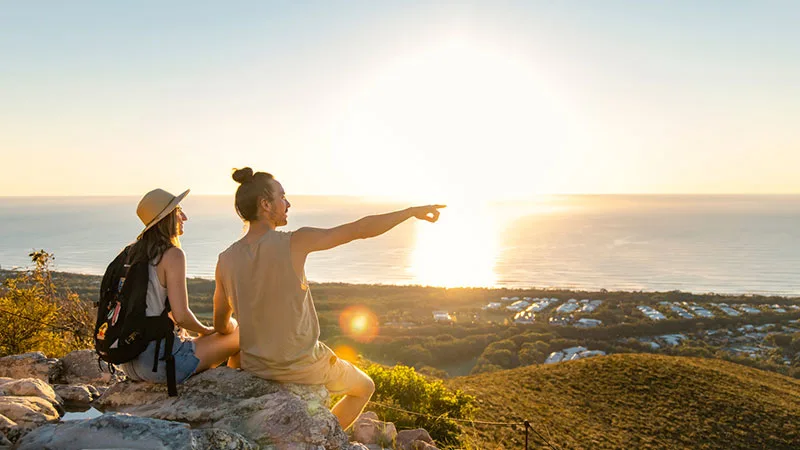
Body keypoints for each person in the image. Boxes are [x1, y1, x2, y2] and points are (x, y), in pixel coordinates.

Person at [213, 167, 444, 430]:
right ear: (265, 205)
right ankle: (327, 436)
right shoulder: (294, 242)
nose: (288, 203)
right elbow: (360, 229)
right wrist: (410, 212)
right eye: (282, 197)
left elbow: (221, 324)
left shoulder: (225, 259)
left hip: (255, 366)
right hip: (301, 365)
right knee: (365, 386)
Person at [120, 188, 240, 385]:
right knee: (237, 332)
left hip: (129, 362)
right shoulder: (172, 254)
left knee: (209, 337)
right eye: (178, 211)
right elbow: (182, 315)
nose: (184, 217)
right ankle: (235, 388)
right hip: (159, 363)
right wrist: (205, 330)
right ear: (166, 218)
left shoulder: (132, 253)